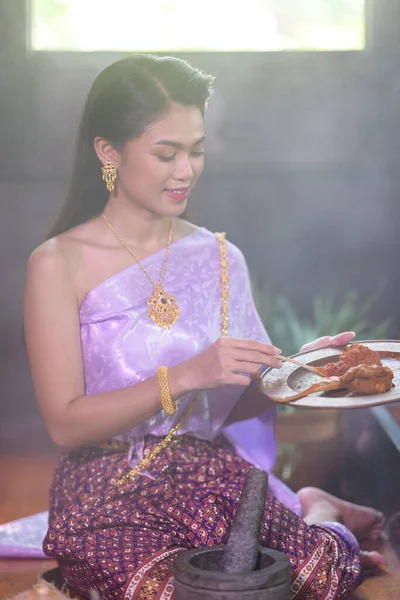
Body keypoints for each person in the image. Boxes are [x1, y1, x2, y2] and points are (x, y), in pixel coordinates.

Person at [24, 54, 385, 600]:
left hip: (206, 473)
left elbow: (234, 409)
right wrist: (187, 374)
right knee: (174, 591)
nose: (186, 170)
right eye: (166, 153)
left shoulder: (220, 258)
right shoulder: (57, 264)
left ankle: (320, 508)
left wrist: (300, 372)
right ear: (109, 152)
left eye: (196, 151)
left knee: (312, 579)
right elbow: (66, 425)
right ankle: (315, 509)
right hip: (105, 484)